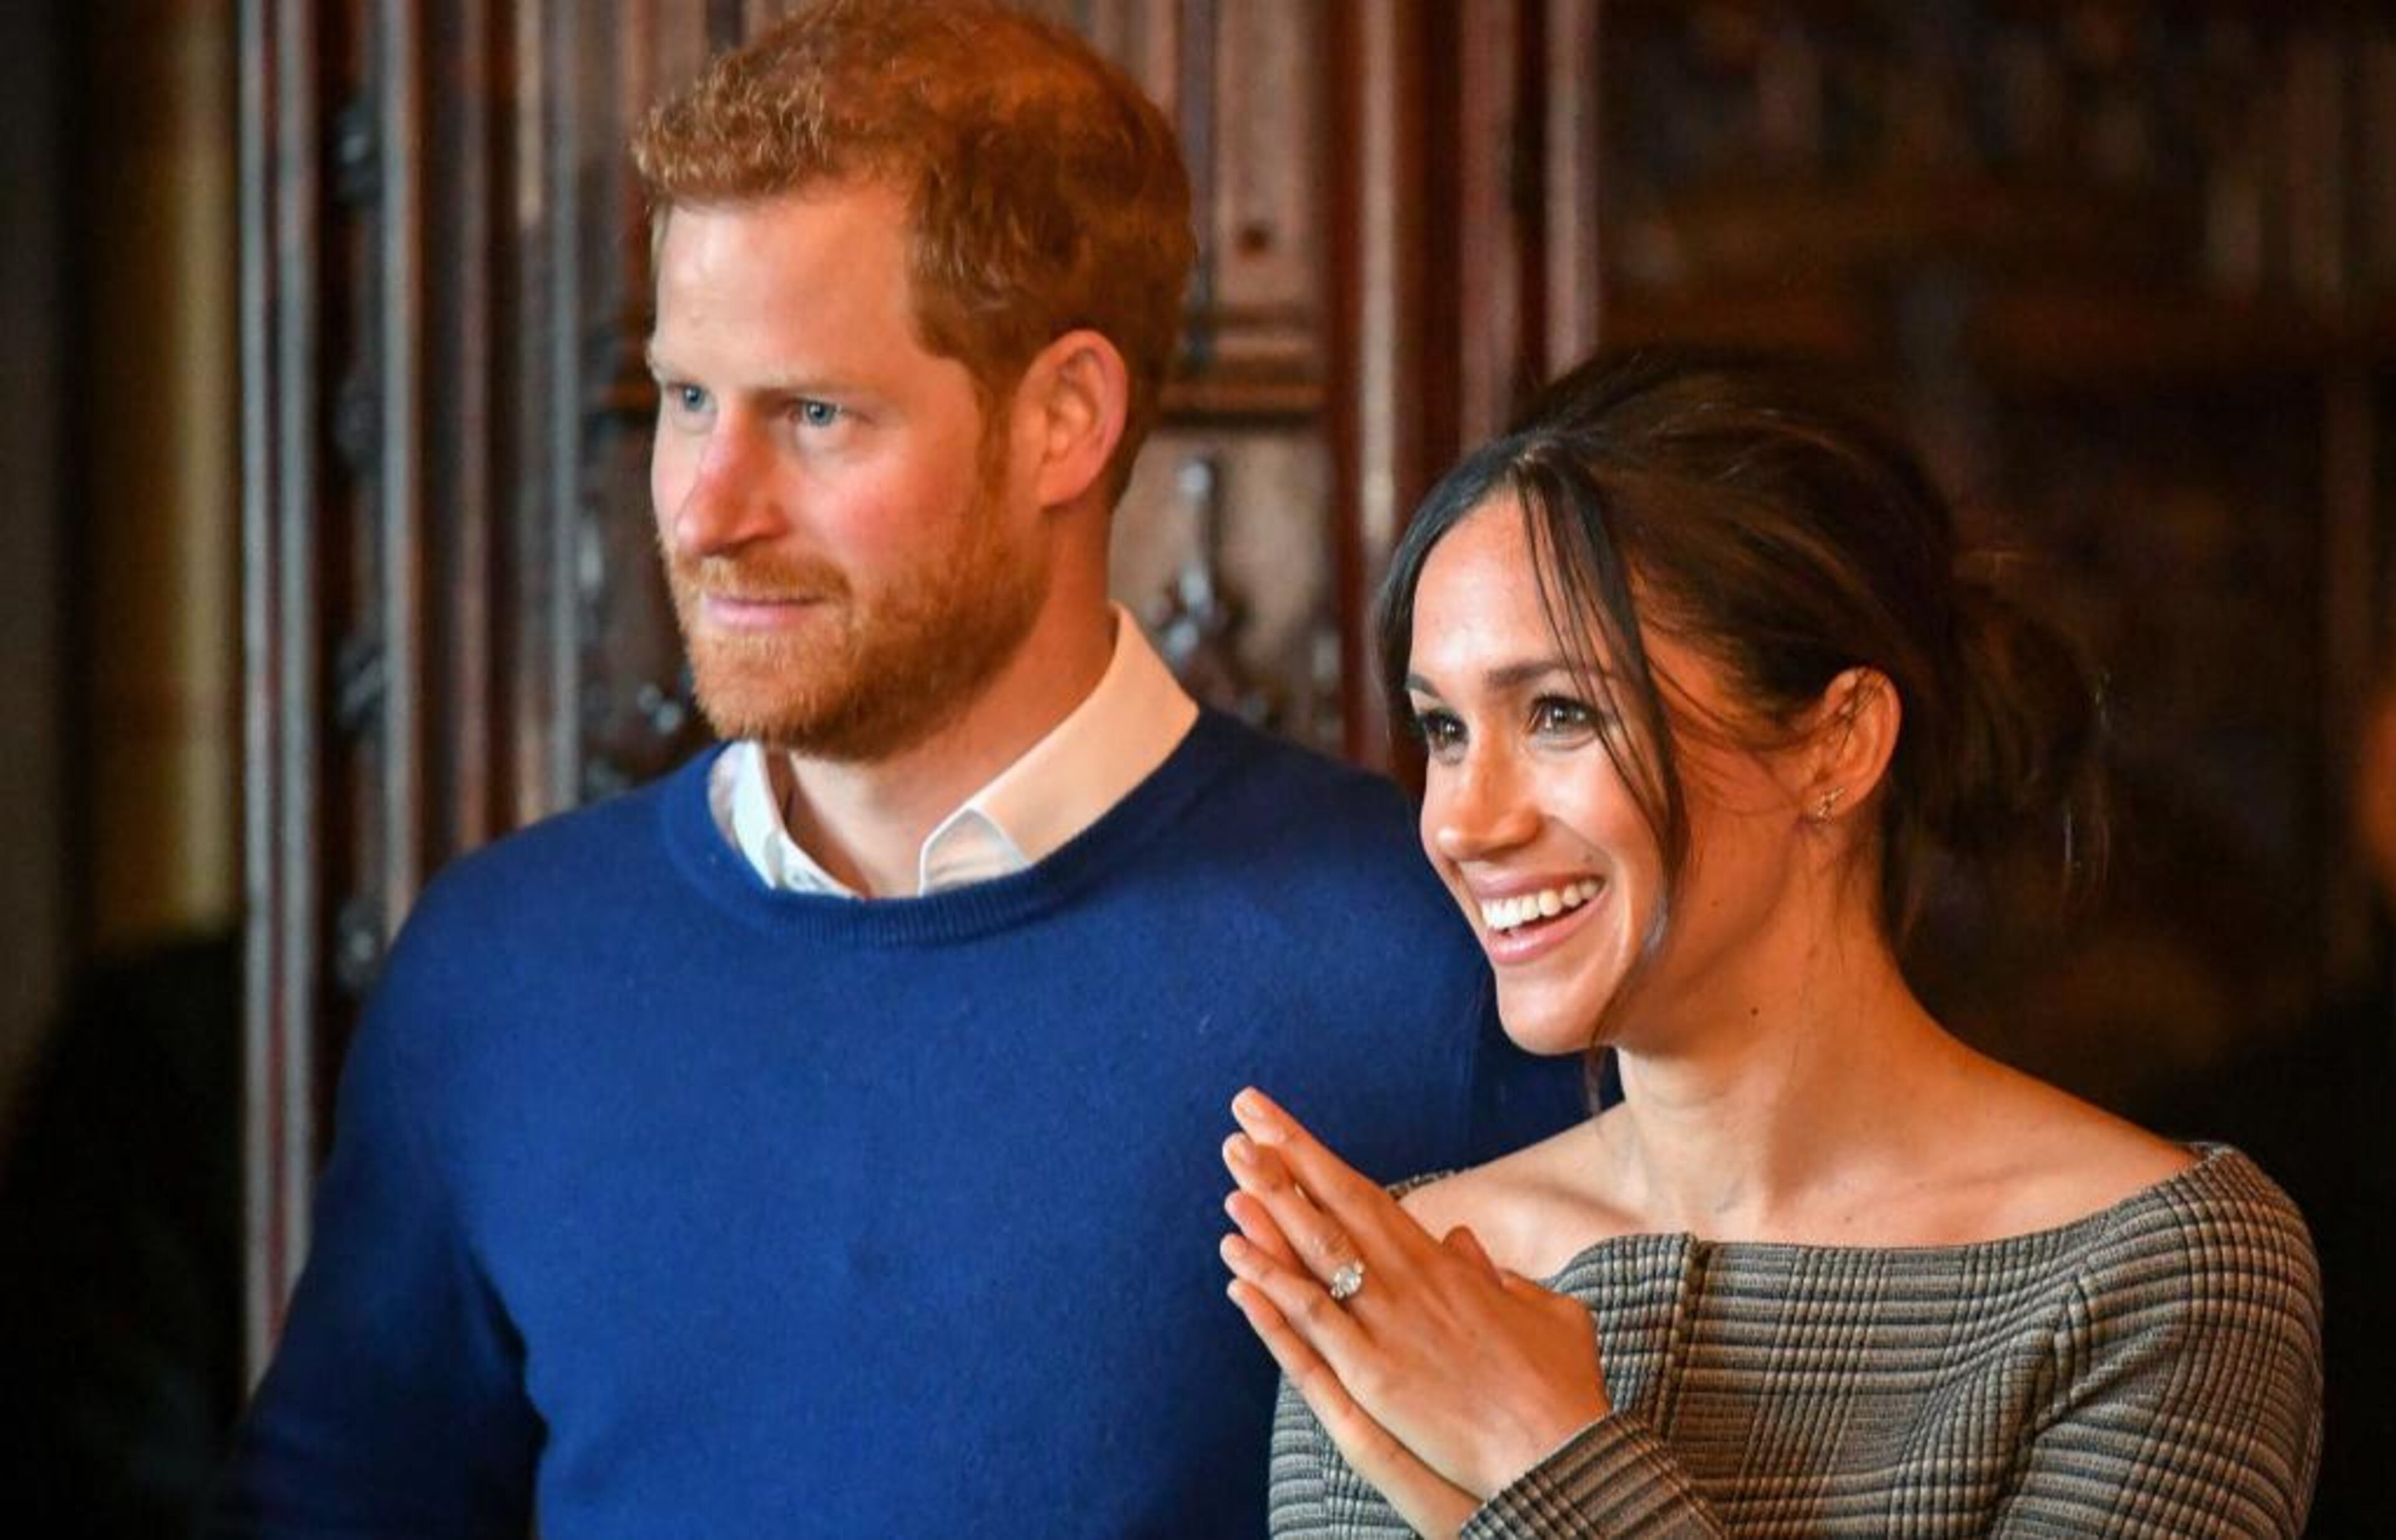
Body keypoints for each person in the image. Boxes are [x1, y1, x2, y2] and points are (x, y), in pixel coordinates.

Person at [206, 4, 1577, 1535]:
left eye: (813, 414)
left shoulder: (1432, 959)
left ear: (1064, 419)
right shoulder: (502, 967)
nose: (707, 509)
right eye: (683, 399)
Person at [1214, 350, 2324, 1538]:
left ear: (1836, 744)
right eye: (1443, 728)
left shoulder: (2159, 1273)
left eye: (1560, 713)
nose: (1463, 822)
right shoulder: (1407, 1280)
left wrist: (1544, 1453)